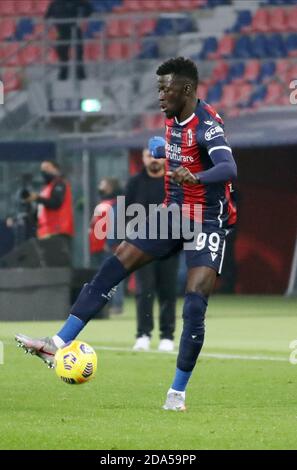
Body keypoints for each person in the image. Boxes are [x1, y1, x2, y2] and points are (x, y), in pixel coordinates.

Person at [16, 57, 237, 412]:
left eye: (166, 89)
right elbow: (184, 154)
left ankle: (176, 395)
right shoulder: (173, 120)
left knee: (194, 301)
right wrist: (164, 150)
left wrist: (196, 177)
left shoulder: (207, 126)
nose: (160, 95)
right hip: (175, 214)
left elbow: (228, 166)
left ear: (187, 90)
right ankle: (57, 342)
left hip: (208, 219)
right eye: (158, 88)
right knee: (116, 261)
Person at [126, 147, 179, 352]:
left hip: (169, 246)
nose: (154, 160)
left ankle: (167, 336)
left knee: (168, 292)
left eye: (158, 156)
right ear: (143, 158)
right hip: (142, 247)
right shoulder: (134, 183)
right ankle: (143, 335)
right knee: (144, 292)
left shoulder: (174, 182)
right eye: (150, 156)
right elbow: (125, 213)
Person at [25, 160, 74, 260]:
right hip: (44, 232)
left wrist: (37, 198)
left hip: (58, 231)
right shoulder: (45, 189)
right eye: (42, 169)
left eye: (47, 168)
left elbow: (55, 203)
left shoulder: (60, 184)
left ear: (56, 169)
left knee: (58, 263)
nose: (44, 171)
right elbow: (37, 214)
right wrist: (29, 203)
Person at [89, 177, 124, 315]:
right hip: (97, 246)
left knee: (113, 276)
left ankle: (117, 305)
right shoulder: (104, 202)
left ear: (110, 187)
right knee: (103, 277)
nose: (100, 187)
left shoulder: (115, 203)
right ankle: (105, 306)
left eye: (102, 184)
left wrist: (110, 243)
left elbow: (114, 224)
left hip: (107, 246)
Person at [46, 0, 93, 80]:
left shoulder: (76, 1)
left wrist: (83, 17)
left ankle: (81, 76)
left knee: (78, 53)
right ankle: (63, 75)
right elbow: (47, 17)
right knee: (62, 54)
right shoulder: (54, 3)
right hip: (61, 32)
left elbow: (89, 8)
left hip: (74, 30)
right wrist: (51, 24)